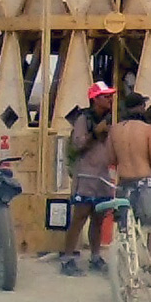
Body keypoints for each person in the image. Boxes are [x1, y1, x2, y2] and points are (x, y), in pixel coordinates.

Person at [60, 81, 115, 276]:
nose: (109, 100)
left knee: (98, 219)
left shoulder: (108, 120)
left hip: (102, 177)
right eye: (105, 96)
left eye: (110, 96)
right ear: (95, 99)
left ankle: (95, 256)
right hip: (85, 176)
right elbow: (77, 145)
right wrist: (95, 133)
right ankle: (67, 258)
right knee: (79, 218)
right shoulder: (84, 119)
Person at [107, 92, 151, 261]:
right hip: (144, 182)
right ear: (141, 107)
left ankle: (127, 265)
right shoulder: (148, 130)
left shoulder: (115, 130)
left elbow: (111, 159)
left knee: (124, 228)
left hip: (124, 182)